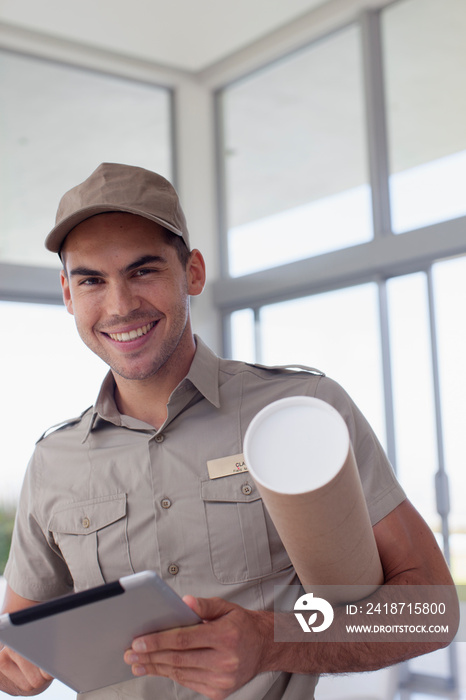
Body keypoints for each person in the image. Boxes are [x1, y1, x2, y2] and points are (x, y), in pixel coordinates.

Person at [0, 163, 456, 699]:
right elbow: (20, 652)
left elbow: (430, 612)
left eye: (143, 271)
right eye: (92, 280)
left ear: (192, 272)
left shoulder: (303, 411)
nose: (120, 305)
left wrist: (274, 640)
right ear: (67, 294)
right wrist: (19, 666)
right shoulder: (54, 460)